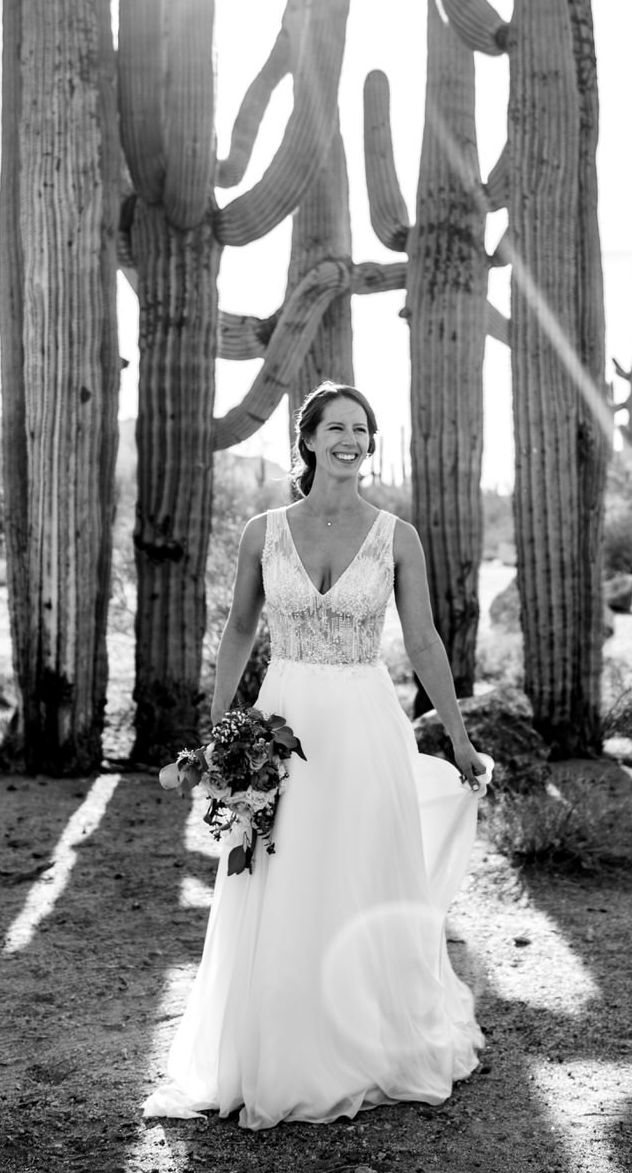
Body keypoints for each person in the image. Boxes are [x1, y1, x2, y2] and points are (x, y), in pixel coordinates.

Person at [142, 381, 492, 1131]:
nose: (351, 441)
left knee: (360, 871)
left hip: (367, 721)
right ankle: (276, 1047)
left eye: (361, 431)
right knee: (280, 873)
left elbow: (424, 642)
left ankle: (369, 1041)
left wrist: (458, 739)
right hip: (283, 719)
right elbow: (239, 630)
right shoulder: (262, 531)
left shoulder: (398, 537)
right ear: (306, 440)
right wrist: (218, 730)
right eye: (336, 428)